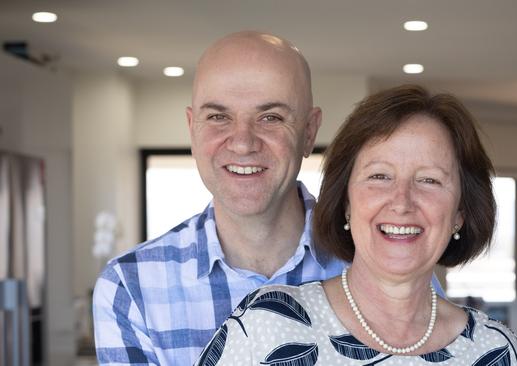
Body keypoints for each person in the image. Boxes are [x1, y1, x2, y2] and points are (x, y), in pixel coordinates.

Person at [92, 31, 445, 365]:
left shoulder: (392, 261)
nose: (243, 142)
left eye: (271, 117)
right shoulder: (131, 286)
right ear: (192, 129)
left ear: (309, 132)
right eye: (218, 117)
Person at [196, 85, 517, 365]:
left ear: (460, 212)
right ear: (346, 202)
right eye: (379, 176)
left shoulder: (498, 352)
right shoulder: (267, 325)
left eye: (430, 180)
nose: (402, 202)